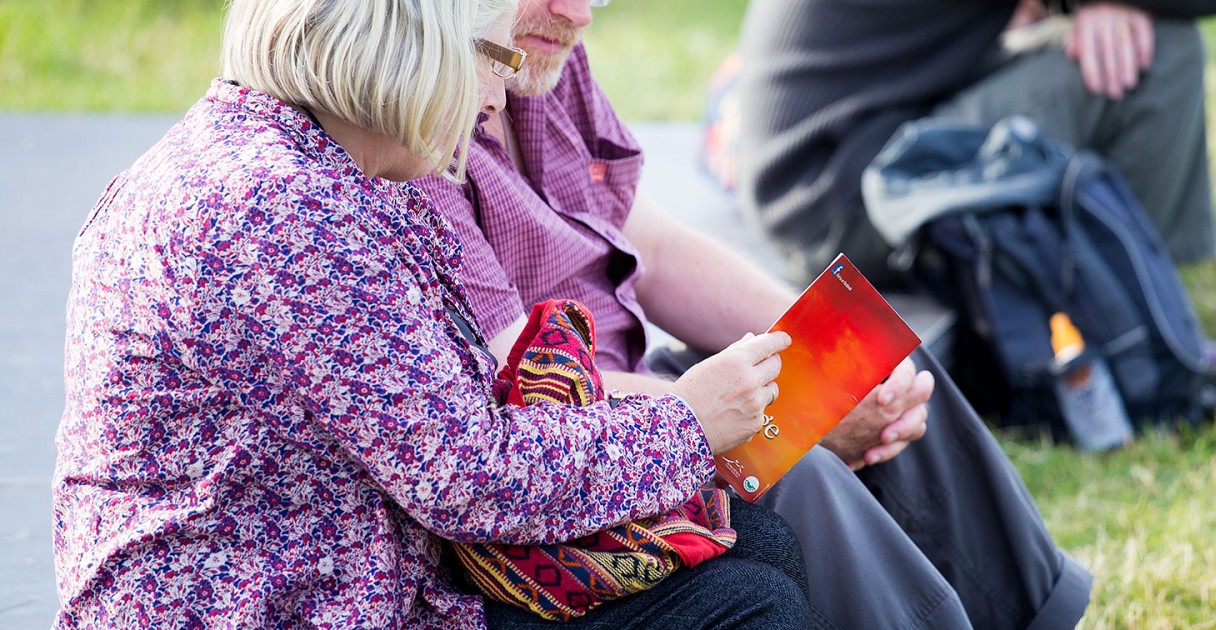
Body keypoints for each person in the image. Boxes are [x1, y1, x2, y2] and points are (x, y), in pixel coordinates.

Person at [53, 0, 810, 627]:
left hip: (338, 576)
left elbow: (458, 431)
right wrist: (689, 424)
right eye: (489, 58)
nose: (496, 96)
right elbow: (473, 480)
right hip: (272, 606)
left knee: (749, 546)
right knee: (745, 602)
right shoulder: (286, 211)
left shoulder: (313, 169)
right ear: (410, 47)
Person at [412, 0, 1093, 627]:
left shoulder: (545, 56)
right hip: (567, 458)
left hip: (634, 383)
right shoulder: (417, 116)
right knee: (801, 469)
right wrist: (774, 407)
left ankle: (1043, 615)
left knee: (877, 359)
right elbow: (514, 383)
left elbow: (657, 246)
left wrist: (830, 344)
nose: (580, 13)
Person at [736, 0, 1216, 286]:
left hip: (821, 170)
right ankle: (1134, 323)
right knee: (1163, 51)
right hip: (846, 200)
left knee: (1111, 33)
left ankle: (1139, 292)